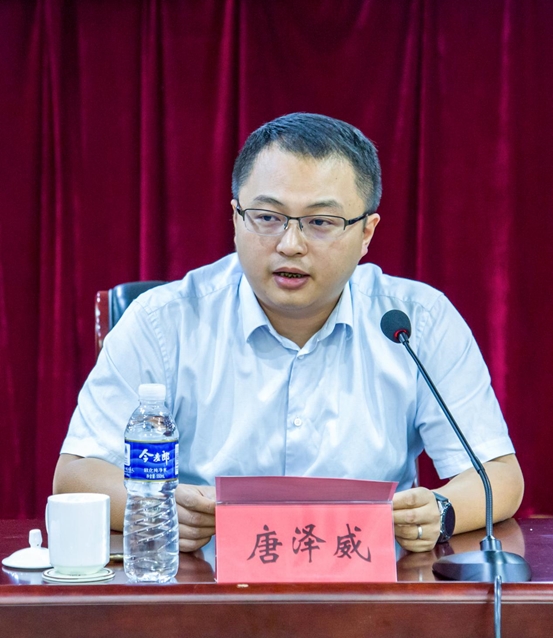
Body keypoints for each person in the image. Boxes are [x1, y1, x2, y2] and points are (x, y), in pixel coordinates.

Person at [53, 113, 523, 554]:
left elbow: (497, 475)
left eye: (321, 222)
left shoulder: (416, 320)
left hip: (371, 591)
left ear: (366, 233)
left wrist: (441, 510)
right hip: (206, 591)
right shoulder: (164, 321)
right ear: (236, 219)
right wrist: (159, 506)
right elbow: (77, 472)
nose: (290, 244)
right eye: (267, 217)